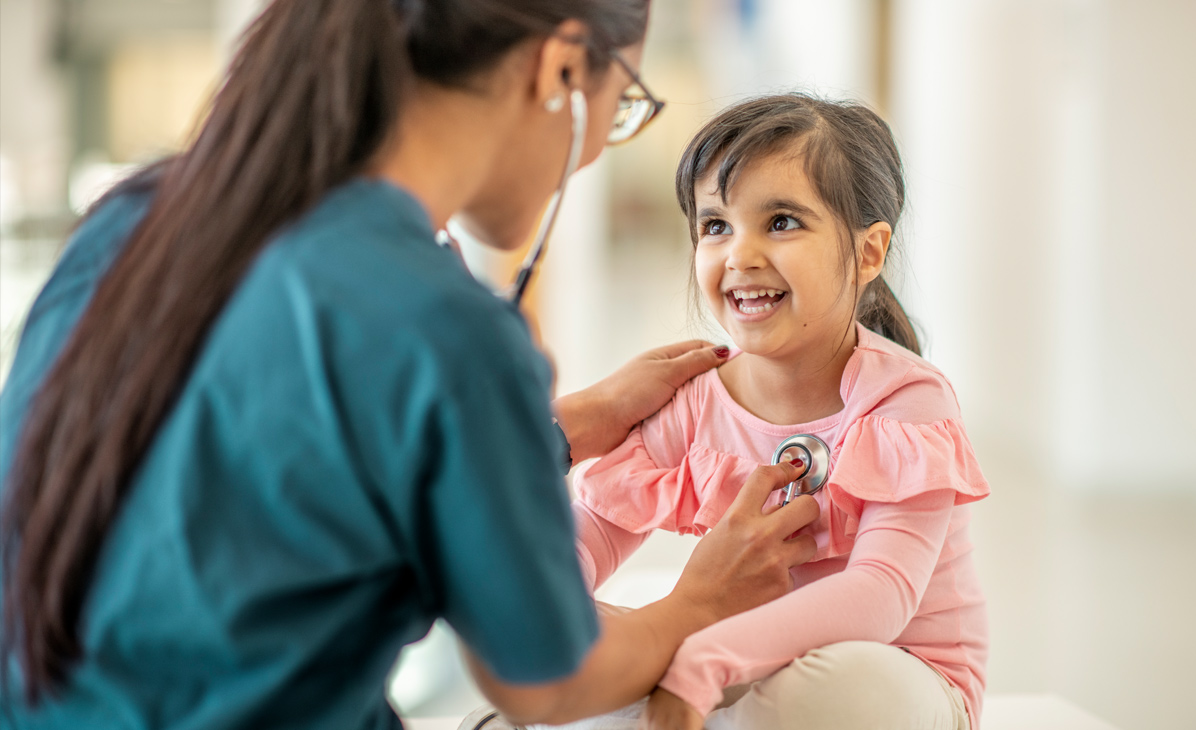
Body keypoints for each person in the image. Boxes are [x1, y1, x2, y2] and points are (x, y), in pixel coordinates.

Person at [0, 3, 822, 728]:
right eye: (624, 104)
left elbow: (274, 467)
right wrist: (698, 600)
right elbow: (547, 676)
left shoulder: (131, 219)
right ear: (563, 69)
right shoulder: (447, 327)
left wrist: (562, 427)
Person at [561, 95, 992, 730]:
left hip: (896, 674)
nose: (740, 255)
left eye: (782, 221)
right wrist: (561, 621)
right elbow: (588, 534)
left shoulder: (906, 399)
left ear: (869, 253)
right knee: (593, 642)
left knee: (821, 691)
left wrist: (701, 661)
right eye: (716, 225)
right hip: (740, 671)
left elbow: (882, 595)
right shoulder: (694, 398)